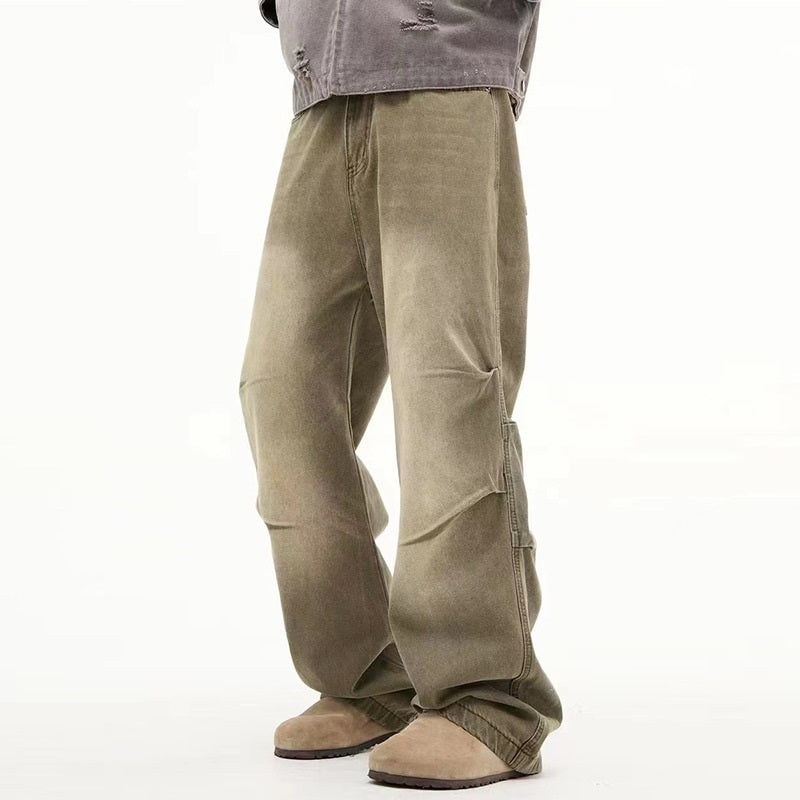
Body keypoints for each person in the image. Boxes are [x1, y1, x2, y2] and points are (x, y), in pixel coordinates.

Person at [238, 0, 562, 790]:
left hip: (445, 71)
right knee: (282, 392)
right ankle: (365, 678)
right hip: (322, 90)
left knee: (447, 392)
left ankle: (488, 698)